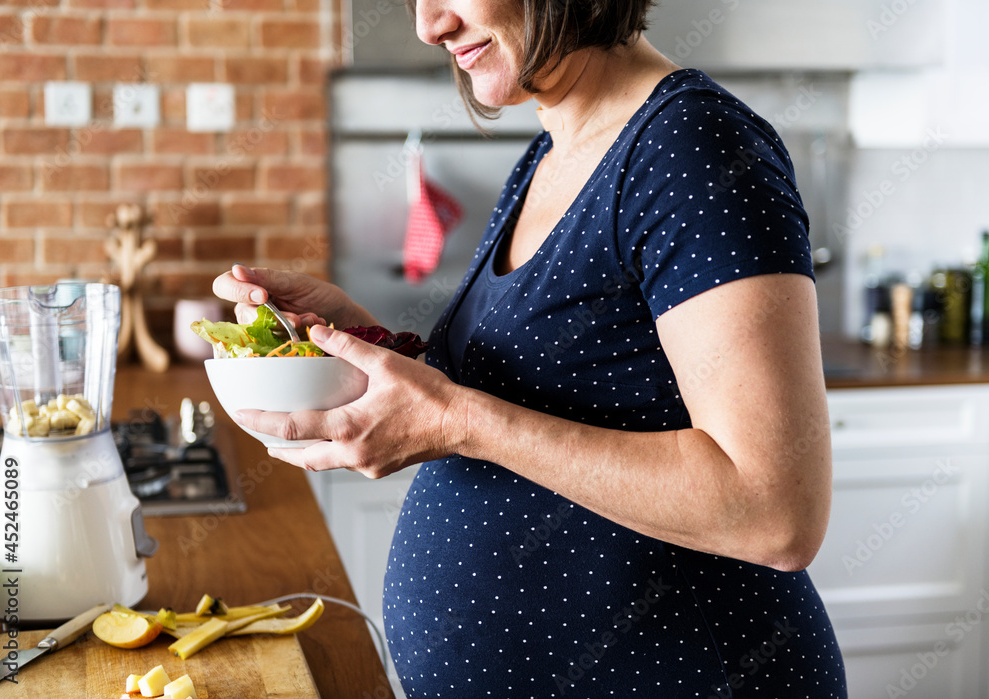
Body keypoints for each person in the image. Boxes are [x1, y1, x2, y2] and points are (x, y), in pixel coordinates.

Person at [213, 0, 848, 696]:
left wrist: (459, 420)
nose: (430, 25)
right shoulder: (553, 152)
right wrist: (359, 342)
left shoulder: (693, 146)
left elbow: (776, 509)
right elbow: (537, 392)